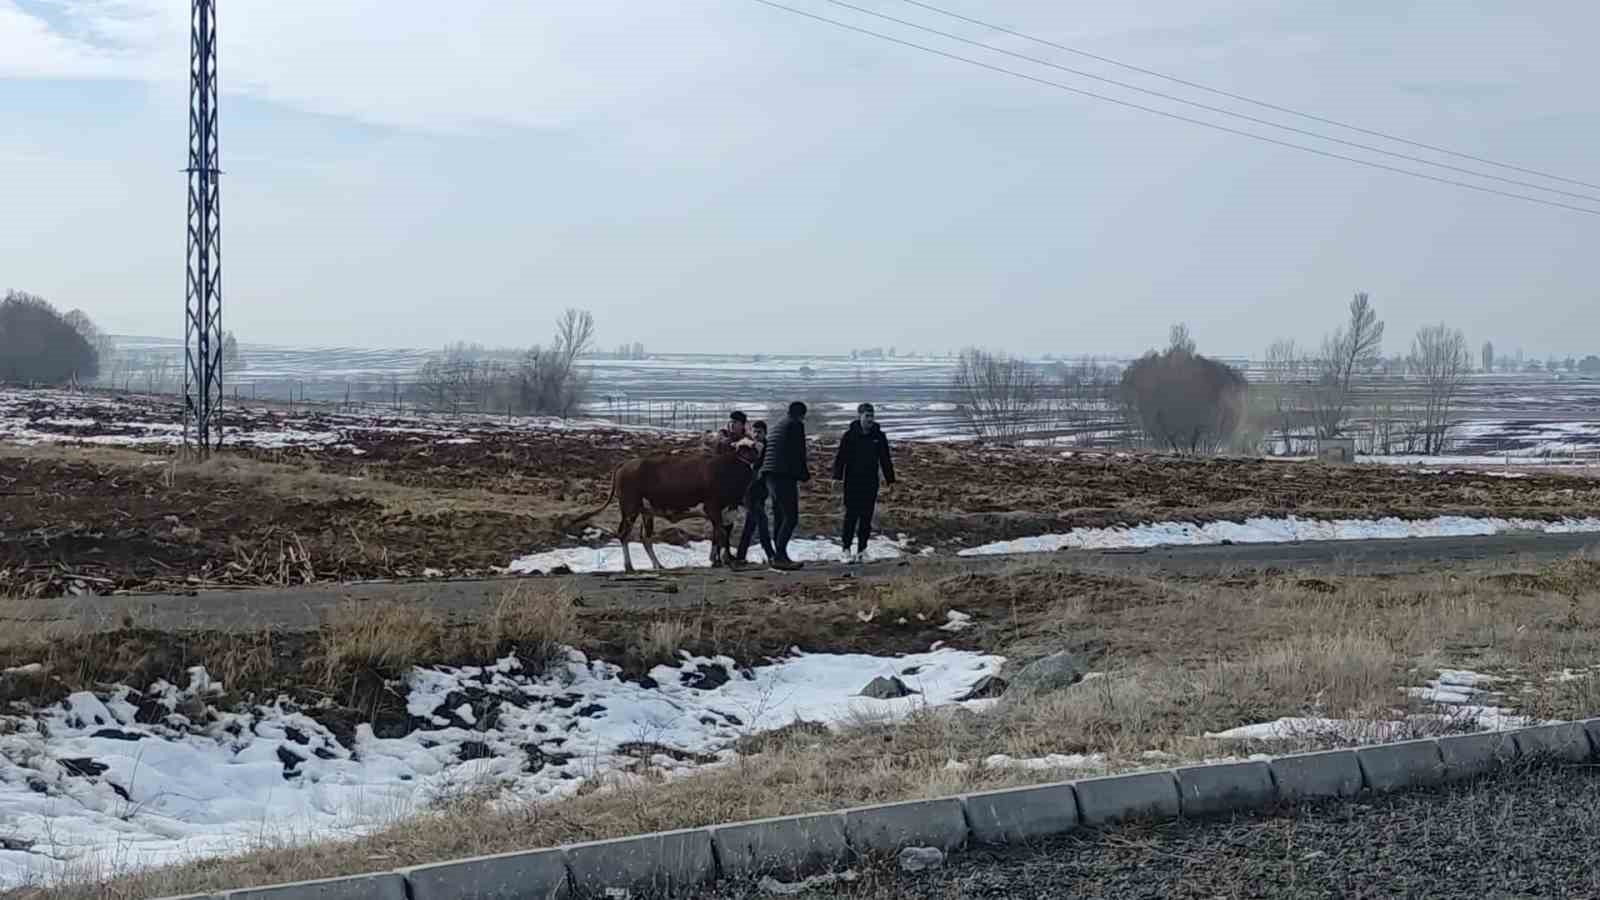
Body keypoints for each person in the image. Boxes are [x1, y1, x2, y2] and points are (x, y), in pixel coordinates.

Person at [832, 402, 896, 563]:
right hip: (852, 481)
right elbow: (841, 458)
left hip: (870, 481)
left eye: (872, 416)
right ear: (859, 416)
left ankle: (862, 550)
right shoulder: (849, 435)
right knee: (851, 516)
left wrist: (891, 480)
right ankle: (846, 549)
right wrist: (837, 478)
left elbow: (885, 459)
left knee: (866, 517)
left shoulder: (879, 436)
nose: (870, 419)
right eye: (867, 416)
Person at [759, 401, 810, 570]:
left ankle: (779, 556)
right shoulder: (795, 424)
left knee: (780, 516)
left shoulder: (779, 424)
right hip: (783, 475)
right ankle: (779, 556)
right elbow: (798, 451)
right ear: (802, 415)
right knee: (791, 517)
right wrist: (804, 475)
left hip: (770, 475)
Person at [733, 419, 775, 566]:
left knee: (750, 525)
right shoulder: (748, 447)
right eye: (755, 432)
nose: (756, 435)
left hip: (760, 491)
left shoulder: (768, 447)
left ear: (765, 433)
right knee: (762, 522)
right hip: (749, 492)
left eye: (760, 432)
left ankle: (740, 556)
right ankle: (771, 555)